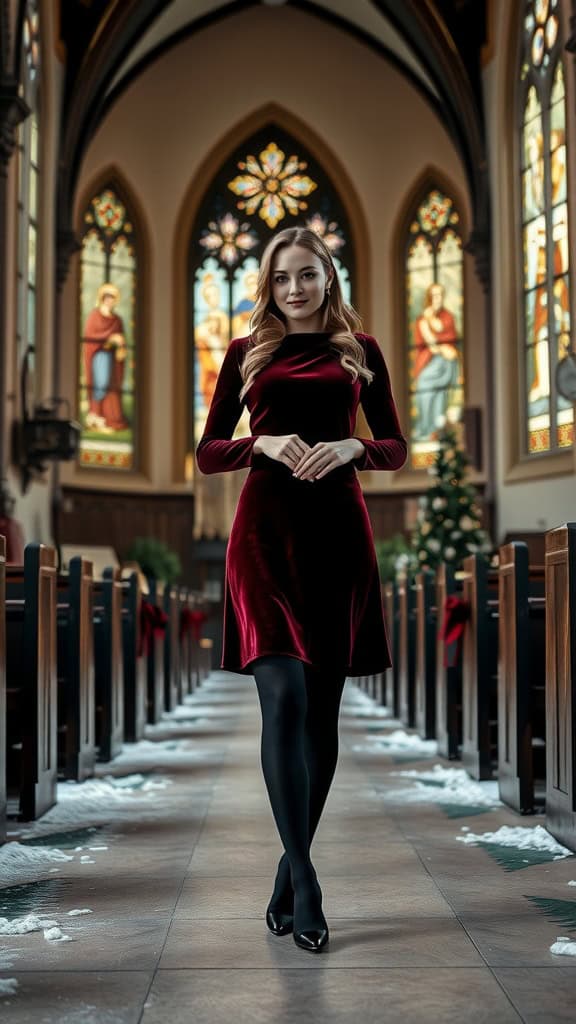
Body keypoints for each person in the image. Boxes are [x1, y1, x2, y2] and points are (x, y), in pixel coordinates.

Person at [196, 226, 407, 954]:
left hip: (339, 538)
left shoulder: (362, 352)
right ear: (269, 283)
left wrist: (355, 446)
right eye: (282, 277)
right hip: (263, 534)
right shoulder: (244, 353)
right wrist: (263, 444)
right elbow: (207, 451)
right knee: (282, 696)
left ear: (329, 277)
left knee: (321, 715)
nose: (295, 288)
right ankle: (311, 884)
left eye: (308, 275)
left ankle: (288, 871)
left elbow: (397, 445)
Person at [412, 282, 460, 440]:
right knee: (424, 384)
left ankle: (436, 429)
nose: (438, 299)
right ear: (429, 298)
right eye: (434, 296)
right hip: (431, 360)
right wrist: (441, 348)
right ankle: (427, 426)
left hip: (446, 364)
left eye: (440, 295)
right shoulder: (422, 320)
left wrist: (443, 347)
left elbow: (449, 338)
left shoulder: (448, 317)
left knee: (439, 390)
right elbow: (430, 344)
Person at [82, 283, 129, 432]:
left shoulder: (117, 320)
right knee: (99, 384)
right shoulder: (95, 315)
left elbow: (121, 339)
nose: (110, 300)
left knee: (109, 386)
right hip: (99, 355)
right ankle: (95, 414)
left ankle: (107, 417)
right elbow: (90, 336)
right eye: (107, 297)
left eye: (113, 298)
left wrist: (120, 343)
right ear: (102, 298)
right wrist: (110, 337)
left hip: (112, 358)